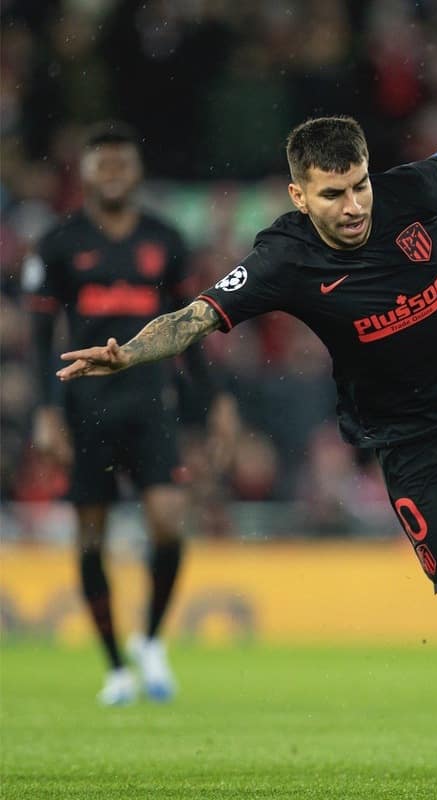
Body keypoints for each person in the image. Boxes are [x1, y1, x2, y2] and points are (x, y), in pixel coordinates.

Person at [56, 116, 437, 786]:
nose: (353, 207)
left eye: (358, 188)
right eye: (332, 196)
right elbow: (195, 317)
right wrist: (128, 354)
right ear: (299, 197)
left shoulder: (410, 190)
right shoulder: (282, 257)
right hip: (407, 442)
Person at [23, 121, 238, 706]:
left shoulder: (165, 239)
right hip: (84, 407)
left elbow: (191, 330)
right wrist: (45, 412)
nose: (113, 173)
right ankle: (115, 667)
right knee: (90, 540)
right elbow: (42, 338)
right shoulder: (59, 243)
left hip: (150, 403)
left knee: (169, 523)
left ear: (137, 171)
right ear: (86, 172)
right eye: (103, 164)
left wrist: (216, 400)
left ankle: (149, 640)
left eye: (122, 163)